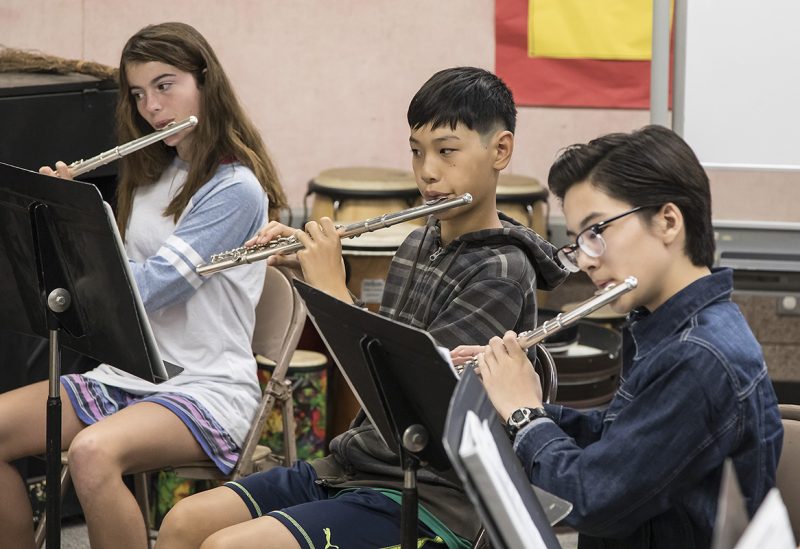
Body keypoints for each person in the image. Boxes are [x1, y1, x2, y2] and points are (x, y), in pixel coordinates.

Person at [155, 66, 567, 549]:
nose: (428, 171)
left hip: (429, 493)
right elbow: (375, 352)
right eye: (417, 152)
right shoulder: (418, 241)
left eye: (447, 151)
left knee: (230, 546)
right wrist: (310, 269)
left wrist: (332, 287)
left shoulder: (504, 270)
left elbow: (407, 391)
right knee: (183, 522)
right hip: (356, 463)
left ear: (500, 150)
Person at [0, 22, 287, 549]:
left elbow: (145, 290)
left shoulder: (235, 188)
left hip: (205, 386)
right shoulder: (153, 173)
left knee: (92, 452)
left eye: (165, 85)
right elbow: (112, 271)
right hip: (132, 375)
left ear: (205, 82)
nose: (151, 107)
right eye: (138, 94)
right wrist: (55, 215)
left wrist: (74, 234)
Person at [473, 125, 783, 549]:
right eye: (578, 242)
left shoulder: (700, 356)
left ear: (668, 221)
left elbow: (593, 499)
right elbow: (623, 441)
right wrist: (508, 397)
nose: (585, 261)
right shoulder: (669, 329)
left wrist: (525, 414)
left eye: (596, 232)